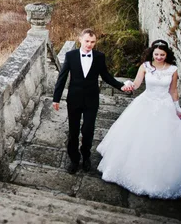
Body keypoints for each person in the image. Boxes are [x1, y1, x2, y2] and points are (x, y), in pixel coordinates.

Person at [97, 40, 181, 199]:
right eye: (156, 54)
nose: (158, 57)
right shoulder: (145, 66)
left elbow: (173, 91)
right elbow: (137, 84)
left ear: (167, 55)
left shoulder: (173, 69)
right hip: (146, 103)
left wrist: (177, 108)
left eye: (162, 55)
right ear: (152, 53)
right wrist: (128, 85)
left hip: (165, 105)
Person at [53, 28, 132, 174]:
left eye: (93, 42)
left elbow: (106, 76)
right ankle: (74, 160)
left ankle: (86, 156)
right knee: (73, 131)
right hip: (74, 99)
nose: (89, 44)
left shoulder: (99, 56)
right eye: (87, 41)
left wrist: (121, 87)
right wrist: (56, 98)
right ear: (80, 40)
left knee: (88, 130)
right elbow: (62, 77)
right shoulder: (71, 56)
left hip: (91, 99)